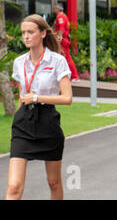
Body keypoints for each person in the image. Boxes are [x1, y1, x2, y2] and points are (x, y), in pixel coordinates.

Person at [6, 14, 72, 200]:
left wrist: (36, 97)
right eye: (23, 33)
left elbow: (67, 98)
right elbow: (22, 96)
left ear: (43, 33)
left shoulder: (57, 61)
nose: (26, 36)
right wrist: (18, 118)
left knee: (54, 182)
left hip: (48, 122)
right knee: (13, 187)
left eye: (31, 32)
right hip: (23, 123)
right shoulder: (19, 62)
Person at [52, 3, 79, 82]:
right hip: (63, 39)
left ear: (58, 9)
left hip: (63, 40)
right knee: (62, 58)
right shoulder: (61, 16)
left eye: (55, 8)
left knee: (67, 58)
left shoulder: (61, 17)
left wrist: (58, 37)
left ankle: (74, 76)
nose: (54, 10)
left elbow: (61, 29)